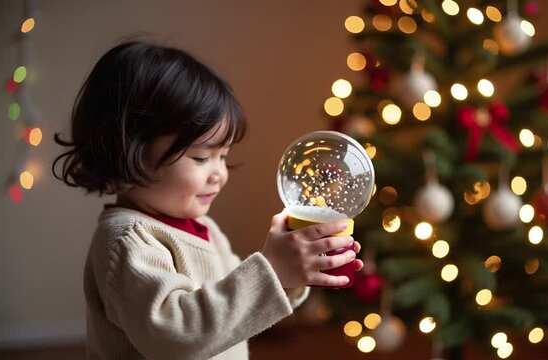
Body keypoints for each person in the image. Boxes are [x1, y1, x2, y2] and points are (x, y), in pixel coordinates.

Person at [53, 41, 363, 359]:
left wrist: (292, 274)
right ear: (130, 149)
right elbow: (176, 338)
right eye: (202, 157)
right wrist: (273, 268)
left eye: (223, 156)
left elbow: (233, 307)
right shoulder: (126, 240)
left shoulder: (205, 228)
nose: (219, 174)